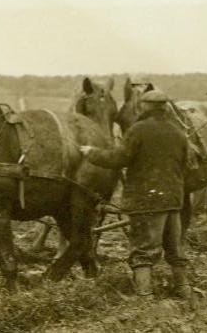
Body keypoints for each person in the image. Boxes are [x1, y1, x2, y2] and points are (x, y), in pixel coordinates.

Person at [79, 88, 191, 299]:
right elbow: (187, 165)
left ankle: (144, 296)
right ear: (165, 108)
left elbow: (117, 159)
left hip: (145, 201)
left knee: (143, 250)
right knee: (175, 250)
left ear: (144, 106)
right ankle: (183, 289)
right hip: (173, 200)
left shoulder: (138, 130)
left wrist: (91, 153)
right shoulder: (178, 132)